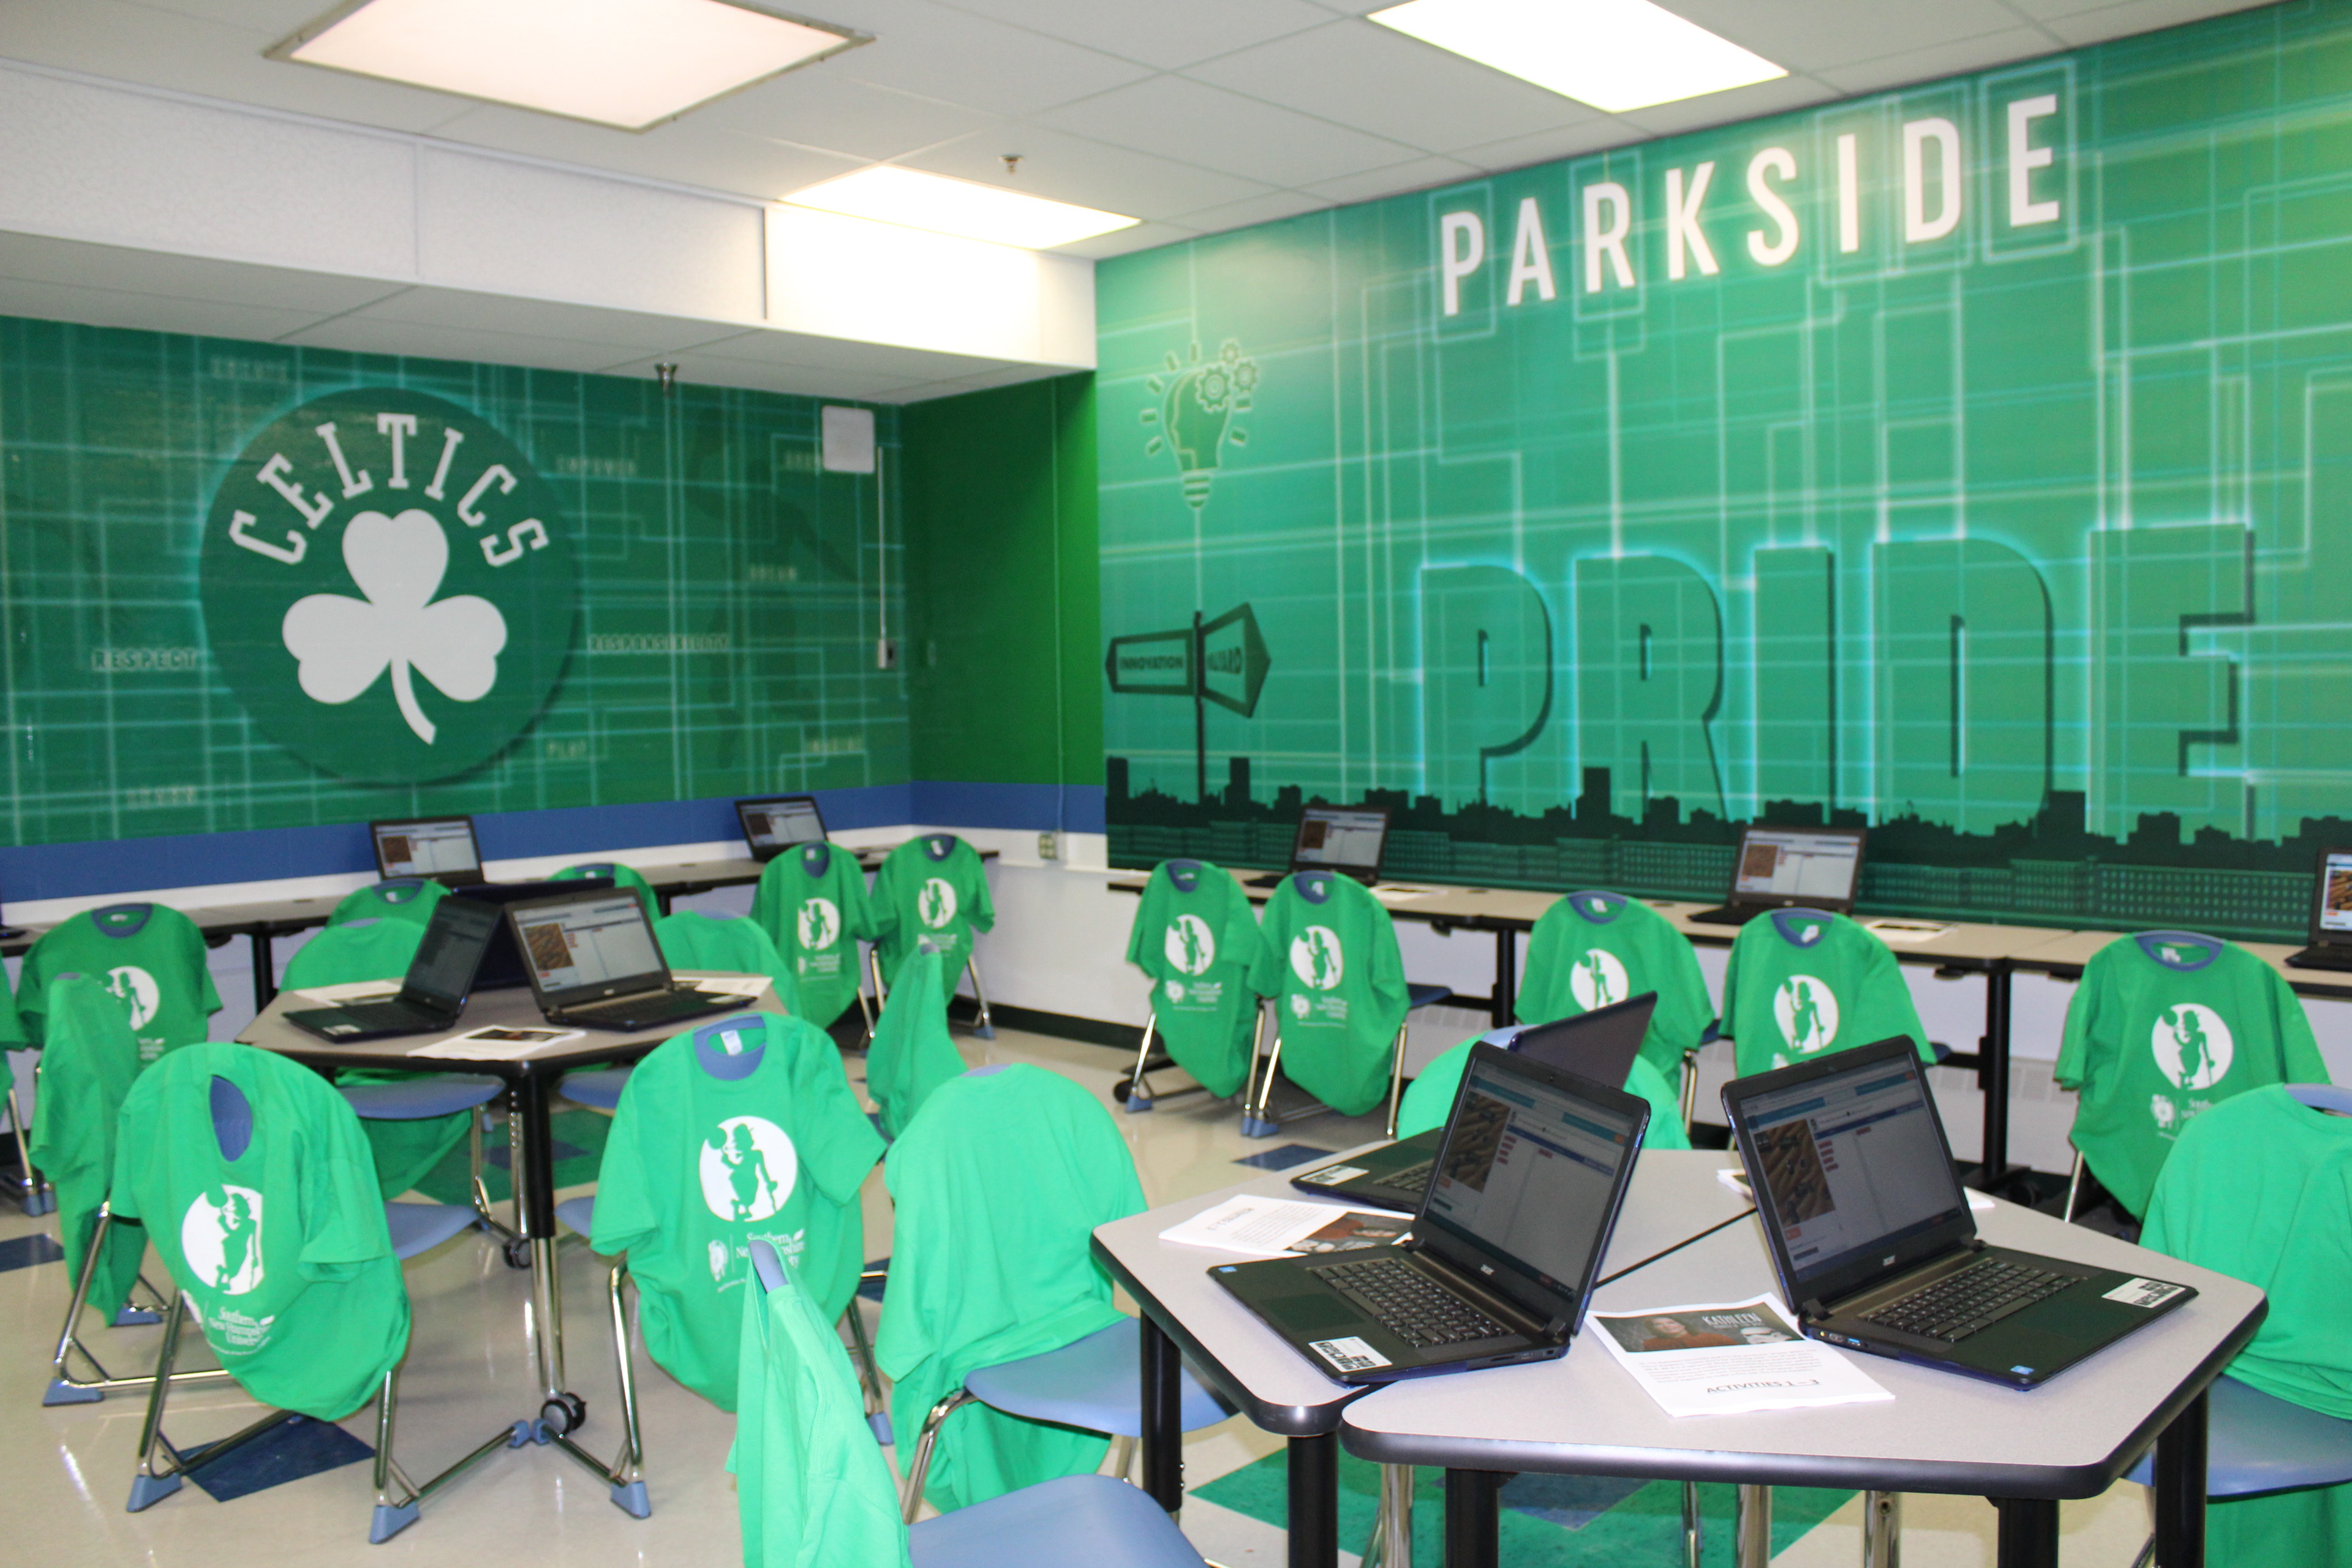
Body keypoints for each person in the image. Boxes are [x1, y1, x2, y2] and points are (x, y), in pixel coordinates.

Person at [1638, 1314, 1736, 1352]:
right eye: (1659, 1325)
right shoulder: (1650, 1345)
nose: (1667, 1326)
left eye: (1671, 1323)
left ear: (1683, 1324)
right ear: (1654, 1329)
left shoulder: (1717, 1339)